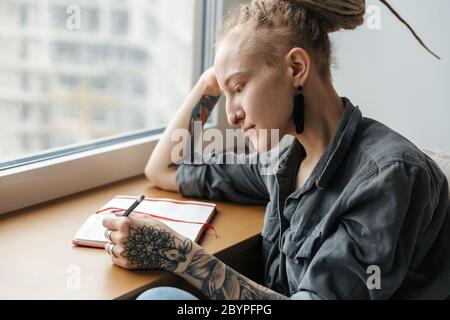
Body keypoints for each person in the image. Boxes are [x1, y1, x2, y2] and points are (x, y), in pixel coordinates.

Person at [103, 0, 450, 300]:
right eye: (225, 95)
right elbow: (165, 168)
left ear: (296, 68)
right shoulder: (284, 164)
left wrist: (178, 254)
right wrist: (210, 85)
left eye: (239, 88)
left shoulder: (389, 176)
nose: (232, 114)